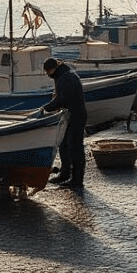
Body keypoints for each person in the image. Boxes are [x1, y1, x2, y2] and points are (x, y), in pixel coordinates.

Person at [42, 58, 88, 190]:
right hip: (69, 116)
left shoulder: (66, 78)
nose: (47, 74)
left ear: (53, 68)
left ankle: (77, 179)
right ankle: (65, 173)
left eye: (47, 71)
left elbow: (62, 98)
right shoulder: (62, 75)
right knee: (63, 145)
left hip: (76, 116)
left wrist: (46, 109)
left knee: (75, 148)